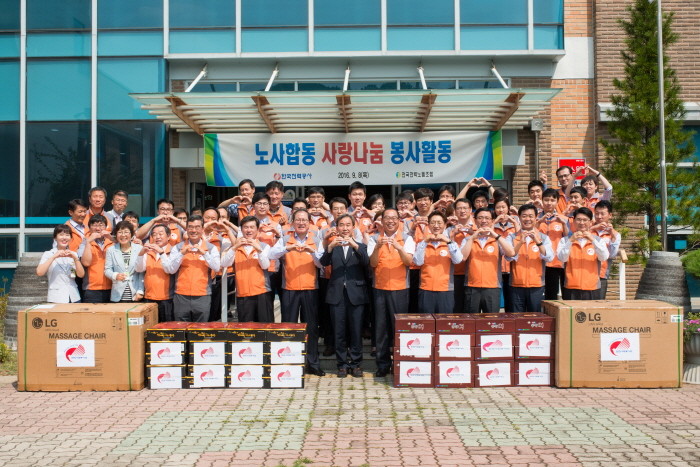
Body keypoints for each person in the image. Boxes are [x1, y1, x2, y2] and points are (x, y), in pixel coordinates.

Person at [268, 208, 325, 376]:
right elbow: (271, 254)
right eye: (298, 220)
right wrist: (287, 248)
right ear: (292, 223)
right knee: (289, 327)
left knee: (311, 328)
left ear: (309, 223)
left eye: (304, 220)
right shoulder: (286, 238)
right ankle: (290, 364)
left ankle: (313, 363)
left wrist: (312, 252)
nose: (301, 223)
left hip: (310, 288)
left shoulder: (316, 239)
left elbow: (322, 263)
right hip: (289, 288)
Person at [320, 213, 370, 378]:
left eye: (348, 225)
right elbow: (323, 263)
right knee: (339, 331)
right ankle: (341, 364)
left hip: (356, 294)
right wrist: (329, 248)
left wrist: (355, 246)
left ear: (353, 227)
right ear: (337, 227)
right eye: (342, 225)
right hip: (337, 295)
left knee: (356, 331)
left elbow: (366, 262)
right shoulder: (333, 245)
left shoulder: (360, 246)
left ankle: (356, 364)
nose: (345, 228)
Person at [368, 208, 415, 377]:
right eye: (387, 218)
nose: (390, 221)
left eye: (394, 218)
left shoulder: (407, 238)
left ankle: (400, 363)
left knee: (399, 328)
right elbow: (373, 263)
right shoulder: (374, 238)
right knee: (381, 328)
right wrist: (377, 248)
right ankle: (382, 365)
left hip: (400, 288)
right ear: (381, 221)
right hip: (380, 288)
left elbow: (409, 261)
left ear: (399, 221)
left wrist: (399, 247)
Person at [162, 215, 221, 322]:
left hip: (202, 295)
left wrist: (204, 253)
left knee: (200, 329)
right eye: (190, 227)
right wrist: (181, 254)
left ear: (202, 229)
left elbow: (216, 267)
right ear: (186, 229)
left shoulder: (211, 248)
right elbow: (171, 269)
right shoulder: (178, 248)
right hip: (181, 295)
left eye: (197, 227)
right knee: (181, 328)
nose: (194, 230)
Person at [461, 208, 516, 313]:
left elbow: (511, 253)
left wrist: (495, 235)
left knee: (492, 320)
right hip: (472, 286)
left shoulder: (498, 239)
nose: (484, 221)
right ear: (475, 220)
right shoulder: (468, 239)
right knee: (471, 319)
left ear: (492, 221)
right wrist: (472, 238)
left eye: (487, 218)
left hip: (492, 287)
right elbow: (463, 257)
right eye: (480, 218)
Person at [412, 211, 464, 314]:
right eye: (433, 222)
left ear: (445, 225)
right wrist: (425, 242)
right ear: (428, 225)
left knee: (444, 322)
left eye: (439, 223)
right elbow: (418, 262)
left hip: (445, 289)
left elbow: (458, 260)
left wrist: (448, 241)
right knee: (427, 321)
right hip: (425, 288)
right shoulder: (422, 243)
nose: (436, 226)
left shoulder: (451, 243)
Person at [506, 204, 554, 313]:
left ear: (536, 217)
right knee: (517, 318)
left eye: (531, 216)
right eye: (524, 216)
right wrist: (520, 242)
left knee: (535, 318)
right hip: (516, 285)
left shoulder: (543, 237)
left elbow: (549, 257)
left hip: (537, 285)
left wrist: (538, 241)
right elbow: (508, 257)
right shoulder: (512, 237)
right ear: (519, 218)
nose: (527, 219)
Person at [226, 215, 274, 322]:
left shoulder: (264, 246)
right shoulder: (235, 247)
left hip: (262, 292)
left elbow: (265, 265)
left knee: (265, 326)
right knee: (246, 328)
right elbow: (225, 263)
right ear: (241, 229)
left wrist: (259, 250)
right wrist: (235, 247)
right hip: (243, 293)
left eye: (252, 227)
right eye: (246, 227)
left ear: (257, 229)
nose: (249, 230)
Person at [556, 207, 610, 300]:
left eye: (585, 220)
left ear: (590, 222)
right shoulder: (565, 240)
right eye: (579, 219)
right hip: (571, 287)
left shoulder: (598, 240)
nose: (581, 223)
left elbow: (604, 257)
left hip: (592, 287)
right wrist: (570, 241)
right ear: (573, 221)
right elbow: (562, 258)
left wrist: (592, 240)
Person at [135, 223, 175, 322]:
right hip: (149, 297)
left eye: (160, 234)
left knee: (166, 328)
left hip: (167, 298)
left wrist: (161, 252)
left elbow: (170, 269)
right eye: (154, 234)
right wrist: (141, 253)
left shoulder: (173, 251)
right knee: (150, 327)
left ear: (168, 236)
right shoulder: (148, 251)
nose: (157, 237)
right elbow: (139, 269)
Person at [37, 225, 85, 303]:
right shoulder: (48, 254)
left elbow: (81, 275)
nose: (64, 238)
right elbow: (39, 272)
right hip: (56, 297)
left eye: (67, 235)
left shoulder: (73, 254)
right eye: (61, 235)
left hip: (74, 297)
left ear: (70, 238)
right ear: (55, 237)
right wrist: (54, 257)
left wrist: (75, 259)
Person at [538, 188, 570, 300]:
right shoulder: (536, 218)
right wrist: (539, 221)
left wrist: (564, 224)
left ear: (557, 202)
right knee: (544, 294)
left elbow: (569, 238)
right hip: (539, 260)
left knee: (558, 294)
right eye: (546, 200)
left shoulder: (563, 219)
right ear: (542, 201)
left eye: (552, 200)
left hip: (557, 262)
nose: (549, 203)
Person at [104, 221, 144, 303]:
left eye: (126, 232)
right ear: (116, 234)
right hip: (117, 295)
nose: (123, 235)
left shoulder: (139, 249)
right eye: (120, 232)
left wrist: (140, 291)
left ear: (131, 234)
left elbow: (141, 272)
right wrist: (115, 275)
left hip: (135, 294)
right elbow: (107, 270)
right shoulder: (111, 250)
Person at [493, 197, 519, 313]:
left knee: (511, 299)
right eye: (498, 207)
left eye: (503, 207)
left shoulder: (514, 223)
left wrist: (514, 222)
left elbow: (519, 237)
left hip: (511, 266)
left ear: (508, 208)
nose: (501, 210)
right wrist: (494, 222)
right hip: (496, 267)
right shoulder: (491, 223)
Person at [80, 214, 114, 303]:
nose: (98, 229)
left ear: (106, 227)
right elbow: (86, 263)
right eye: (94, 225)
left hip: (113, 287)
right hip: (92, 289)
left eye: (101, 225)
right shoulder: (85, 242)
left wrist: (111, 238)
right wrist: (88, 242)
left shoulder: (112, 242)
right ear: (89, 228)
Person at [592, 200, 621, 299]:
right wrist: (594, 228)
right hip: (585, 272)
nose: (599, 217)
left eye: (602, 214)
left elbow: (612, 254)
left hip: (602, 274)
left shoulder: (615, 234)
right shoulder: (588, 229)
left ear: (610, 215)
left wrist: (612, 234)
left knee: (599, 303)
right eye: (597, 213)